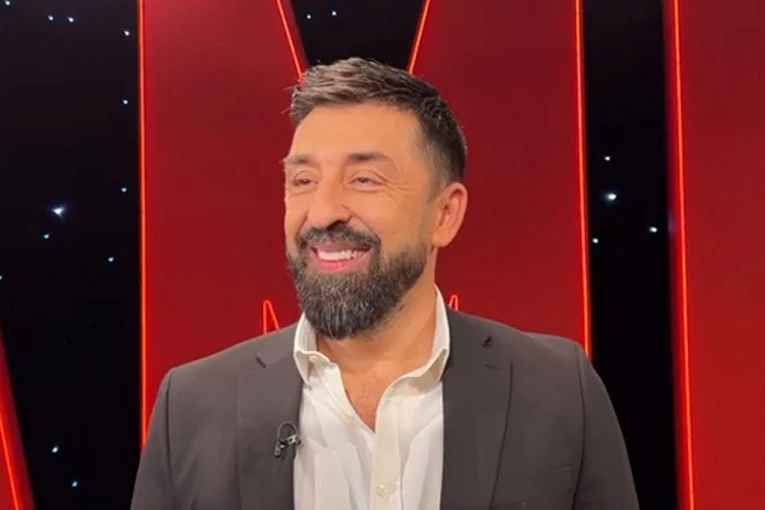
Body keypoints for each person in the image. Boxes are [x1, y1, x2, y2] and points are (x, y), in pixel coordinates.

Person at [131, 57, 639, 510]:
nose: (322, 212)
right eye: (303, 180)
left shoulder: (557, 389)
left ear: (444, 214)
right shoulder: (192, 406)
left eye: (364, 179)